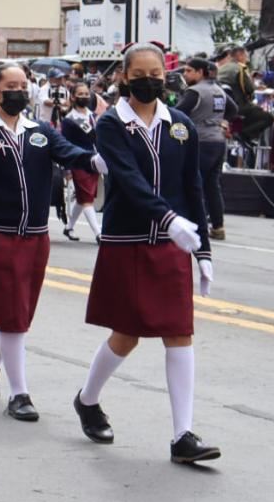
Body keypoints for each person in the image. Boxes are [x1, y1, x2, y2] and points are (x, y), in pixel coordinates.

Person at [73, 42, 220, 465]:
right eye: (140, 73)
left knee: (179, 331)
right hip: (129, 240)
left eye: (157, 73)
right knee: (128, 333)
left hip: (170, 245)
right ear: (124, 76)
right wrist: (170, 219)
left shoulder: (180, 126)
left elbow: (194, 188)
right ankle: (88, 398)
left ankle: (183, 434)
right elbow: (129, 180)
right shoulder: (111, 125)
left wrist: (203, 251)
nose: (150, 80)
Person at [0, 62, 103, 421]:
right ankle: (19, 393)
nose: (19, 91)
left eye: (24, 85)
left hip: (35, 238)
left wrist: (99, 160)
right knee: (12, 318)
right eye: (11, 86)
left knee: (19, 313)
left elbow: (70, 153)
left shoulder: (39, 131)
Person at [176, 58, 235, 240]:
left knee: (194, 184)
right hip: (218, 141)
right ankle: (218, 226)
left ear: (200, 72)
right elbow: (234, 109)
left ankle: (196, 225)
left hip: (200, 141)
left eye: (189, 71)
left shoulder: (195, 91)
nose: (185, 74)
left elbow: (177, 112)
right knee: (212, 186)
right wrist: (223, 122)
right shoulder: (219, 90)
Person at [59, 80, 103, 241]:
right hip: (77, 161)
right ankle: (99, 233)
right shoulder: (69, 120)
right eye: (80, 94)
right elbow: (64, 145)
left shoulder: (92, 116)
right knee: (87, 199)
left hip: (94, 160)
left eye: (86, 94)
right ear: (73, 97)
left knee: (83, 197)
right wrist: (67, 168)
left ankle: (69, 227)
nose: (84, 97)